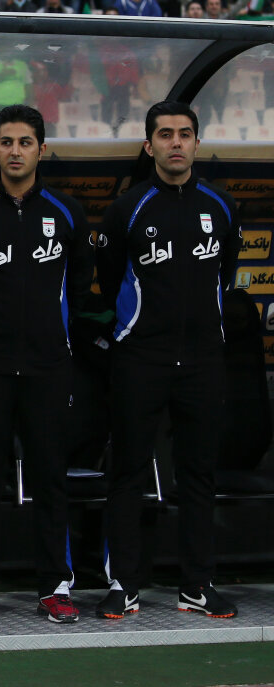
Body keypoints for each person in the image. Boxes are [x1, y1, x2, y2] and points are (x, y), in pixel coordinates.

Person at [0, 105, 94, 624]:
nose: (15, 151)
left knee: (51, 479)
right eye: (6, 142)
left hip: (49, 366)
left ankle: (55, 587)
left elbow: (79, 285)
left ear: (41, 150)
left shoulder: (68, 212)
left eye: (25, 142)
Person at [95, 101, 241, 620]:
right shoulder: (127, 209)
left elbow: (226, 275)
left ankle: (196, 585)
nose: (175, 143)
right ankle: (124, 585)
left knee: (198, 474)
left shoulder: (222, 206)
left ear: (197, 142)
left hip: (203, 360)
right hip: (141, 357)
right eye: (165, 134)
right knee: (128, 472)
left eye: (184, 134)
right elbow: (109, 279)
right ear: (148, 144)